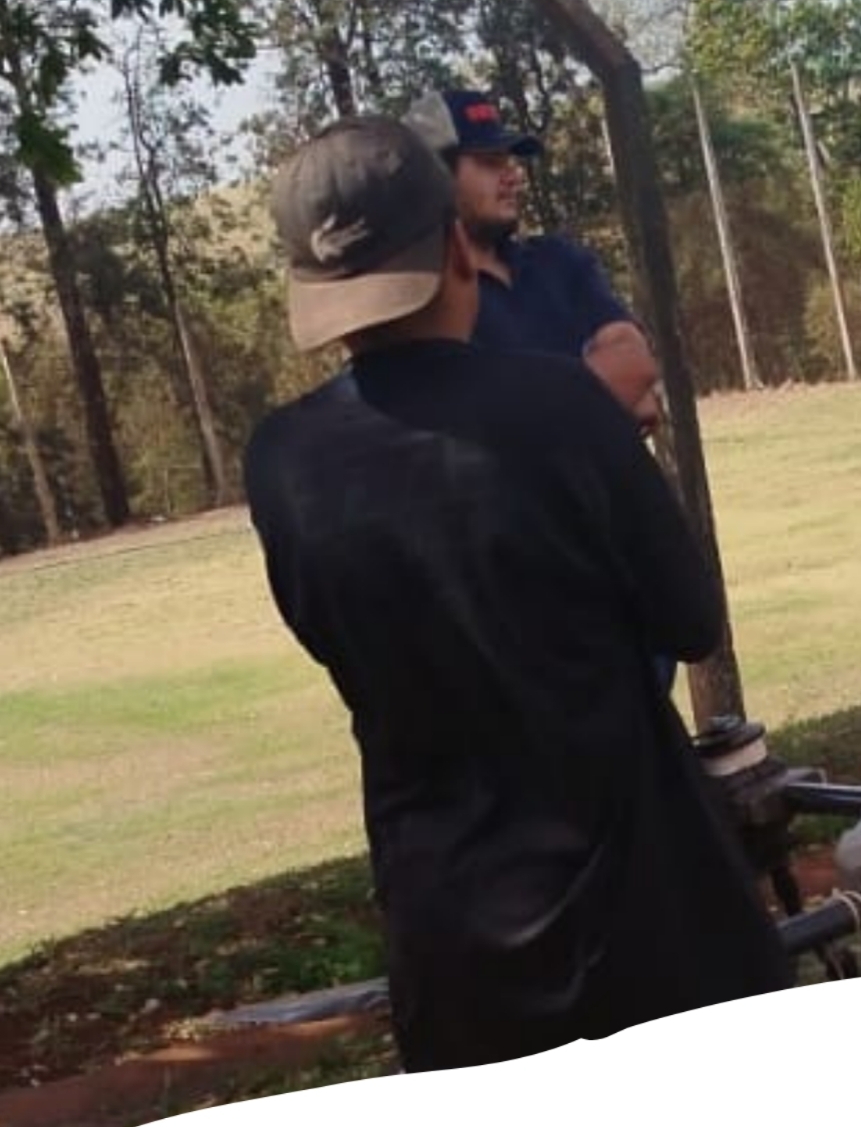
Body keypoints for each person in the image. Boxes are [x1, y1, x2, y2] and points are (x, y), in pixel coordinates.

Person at [242, 115, 792, 1073]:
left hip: (451, 940)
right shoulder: (563, 404)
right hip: (647, 912)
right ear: (456, 244)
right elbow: (690, 620)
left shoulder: (281, 461)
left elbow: (336, 642)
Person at [404, 88, 680, 694]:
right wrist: (597, 411)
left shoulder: (560, 263)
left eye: (513, 158)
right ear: (434, 177)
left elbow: (634, 366)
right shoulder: (424, 301)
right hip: (527, 599)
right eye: (488, 162)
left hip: (622, 570)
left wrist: (527, 424)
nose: (513, 175)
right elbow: (470, 438)